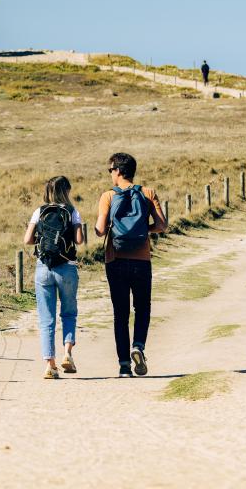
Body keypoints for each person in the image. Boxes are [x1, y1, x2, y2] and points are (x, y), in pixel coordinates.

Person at [95, 153, 167, 378]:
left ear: (117, 170)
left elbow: (99, 229)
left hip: (115, 260)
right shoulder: (148, 193)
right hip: (141, 260)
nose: (110, 174)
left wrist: (110, 229)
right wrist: (142, 230)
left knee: (120, 313)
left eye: (110, 170)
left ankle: (124, 365)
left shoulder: (108, 196)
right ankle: (138, 346)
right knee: (143, 307)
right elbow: (162, 225)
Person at [24, 176, 84, 379]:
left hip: (43, 267)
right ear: (66, 191)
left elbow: (28, 240)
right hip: (66, 267)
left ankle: (50, 364)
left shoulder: (39, 211)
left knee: (46, 319)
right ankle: (68, 353)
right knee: (68, 313)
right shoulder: (72, 211)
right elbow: (79, 240)